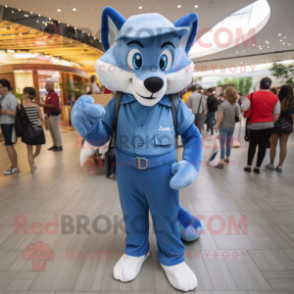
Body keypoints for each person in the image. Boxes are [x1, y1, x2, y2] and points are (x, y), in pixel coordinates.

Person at [242, 77, 280, 173]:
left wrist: (243, 105)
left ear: (260, 85)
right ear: (269, 86)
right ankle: (257, 167)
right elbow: (277, 113)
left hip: (254, 125)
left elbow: (244, 108)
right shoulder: (275, 98)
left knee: (252, 145)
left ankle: (249, 165)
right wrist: (272, 122)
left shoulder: (251, 95)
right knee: (263, 146)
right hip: (269, 125)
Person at [266, 85, 294, 172]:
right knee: (283, 146)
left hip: (275, 125)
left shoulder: (276, 100)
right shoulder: (292, 103)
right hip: (287, 127)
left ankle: (271, 164)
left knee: (273, 145)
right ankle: (280, 166)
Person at [19, 87, 45, 174]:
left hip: (27, 131)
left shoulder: (20, 107)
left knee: (29, 151)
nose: (22, 95)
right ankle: (32, 161)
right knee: (38, 151)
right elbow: (41, 119)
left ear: (26, 94)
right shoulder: (36, 106)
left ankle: (32, 169)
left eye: (23, 93)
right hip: (38, 130)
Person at [214, 86, 240, 169]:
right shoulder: (236, 104)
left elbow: (220, 117)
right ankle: (227, 158)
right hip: (232, 126)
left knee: (222, 144)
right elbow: (237, 115)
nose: (224, 94)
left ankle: (221, 162)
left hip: (223, 126)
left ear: (227, 94)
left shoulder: (223, 105)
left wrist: (217, 126)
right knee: (228, 142)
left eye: (225, 92)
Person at [0, 79, 20, 175]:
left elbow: (16, 113)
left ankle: (15, 167)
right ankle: (14, 165)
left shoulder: (11, 98)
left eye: (0, 87)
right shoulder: (2, 97)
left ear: (6, 88)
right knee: (8, 145)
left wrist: (3, 111)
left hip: (9, 124)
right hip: (4, 124)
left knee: (9, 145)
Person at [38, 81, 63, 151]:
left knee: (55, 130)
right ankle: (55, 144)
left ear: (52, 86)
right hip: (49, 114)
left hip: (54, 114)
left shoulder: (54, 94)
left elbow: (54, 106)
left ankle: (59, 145)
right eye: (46, 85)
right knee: (51, 130)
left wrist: (43, 104)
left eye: (47, 85)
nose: (45, 87)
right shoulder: (49, 95)